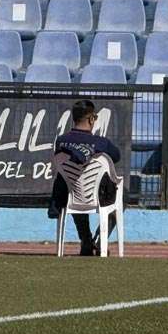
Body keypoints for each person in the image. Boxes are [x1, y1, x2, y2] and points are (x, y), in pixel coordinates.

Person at [50, 100, 122, 256]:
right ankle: (100, 240)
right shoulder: (101, 142)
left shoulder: (61, 141)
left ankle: (86, 240)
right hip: (97, 196)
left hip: (70, 195)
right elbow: (116, 157)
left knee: (73, 186)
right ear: (91, 119)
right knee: (124, 193)